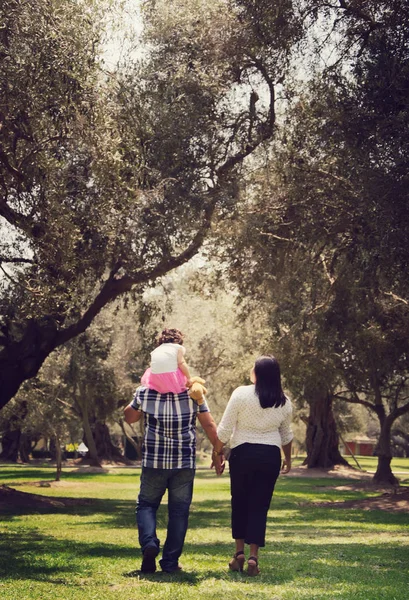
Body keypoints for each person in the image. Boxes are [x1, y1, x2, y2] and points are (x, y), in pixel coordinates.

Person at [124, 383, 220, 574]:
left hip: (154, 464)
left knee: (146, 505)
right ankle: (169, 562)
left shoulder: (145, 392)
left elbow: (129, 417)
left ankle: (149, 543)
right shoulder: (194, 393)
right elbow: (208, 424)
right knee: (179, 512)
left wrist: (138, 399)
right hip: (183, 465)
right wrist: (218, 451)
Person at [212, 355, 293, 576]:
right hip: (269, 457)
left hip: (243, 454)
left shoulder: (241, 393)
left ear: (256, 373)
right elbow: (286, 436)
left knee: (239, 502)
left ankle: (238, 554)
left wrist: (217, 452)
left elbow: (225, 429)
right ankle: (253, 558)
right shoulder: (284, 401)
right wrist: (288, 459)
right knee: (260, 505)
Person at [141, 328, 192, 394]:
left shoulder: (157, 349)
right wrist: (189, 377)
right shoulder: (178, 348)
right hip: (172, 380)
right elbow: (181, 363)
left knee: (152, 369)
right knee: (179, 367)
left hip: (156, 380)